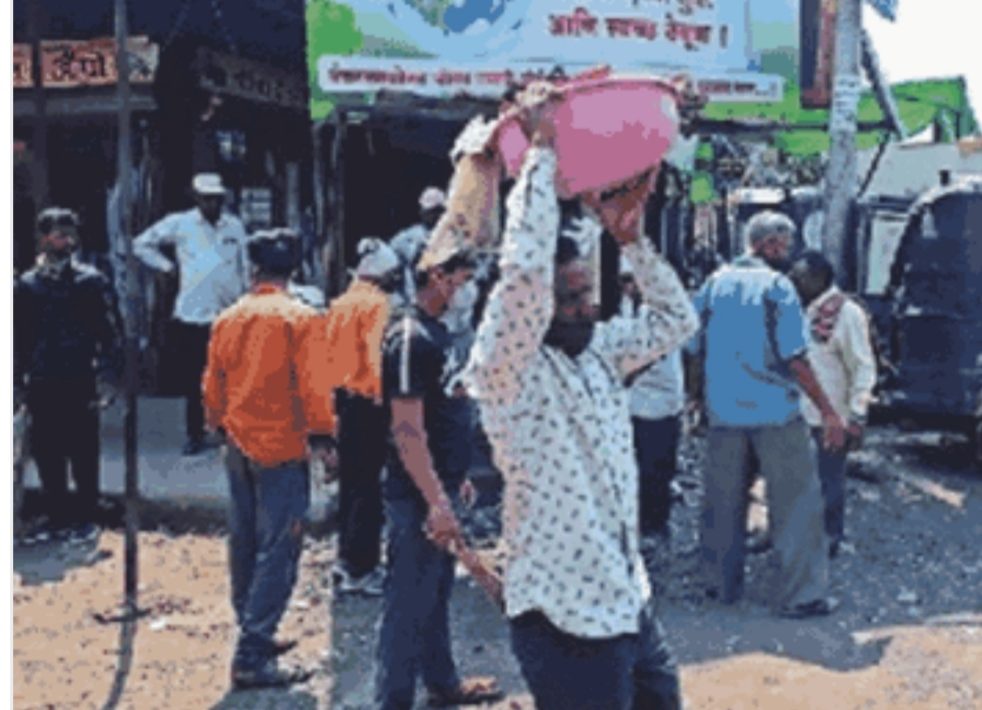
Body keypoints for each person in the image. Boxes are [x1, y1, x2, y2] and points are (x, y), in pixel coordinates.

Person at [461, 109, 698, 709]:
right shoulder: (509, 371)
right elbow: (522, 278)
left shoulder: (599, 354)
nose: (583, 308)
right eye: (566, 298)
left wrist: (632, 242)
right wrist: (541, 156)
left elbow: (677, 320)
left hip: (627, 600)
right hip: (565, 620)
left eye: (586, 293)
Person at [689, 210, 847, 618]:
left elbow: (693, 348)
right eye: (786, 245)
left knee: (722, 503)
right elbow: (795, 357)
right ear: (771, 245)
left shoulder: (714, 283)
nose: (788, 253)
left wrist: (697, 399)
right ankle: (803, 595)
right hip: (775, 413)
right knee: (796, 505)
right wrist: (829, 411)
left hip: (724, 412)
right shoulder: (778, 288)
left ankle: (719, 586)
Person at [202, 228, 338, 689]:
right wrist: (325, 438)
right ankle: (252, 651)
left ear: (253, 268)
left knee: (244, 540)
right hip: (282, 447)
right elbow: (315, 388)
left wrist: (217, 424)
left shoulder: (229, 317)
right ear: (293, 270)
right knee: (280, 549)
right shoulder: (301, 318)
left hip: (238, 443)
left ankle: (251, 625)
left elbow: (212, 384)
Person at [374, 241, 502, 709]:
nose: (466, 291)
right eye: (461, 281)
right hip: (416, 495)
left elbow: (441, 412)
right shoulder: (410, 339)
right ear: (437, 276)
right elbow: (407, 429)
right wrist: (435, 499)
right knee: (407, 602)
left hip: (438, 483)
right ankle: (393, 700)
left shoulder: (436, 333)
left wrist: (454, 475)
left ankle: (442, 683)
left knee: (433, 593)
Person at [14, 208, 123, 542]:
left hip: (79, 376)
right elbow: (18, 338)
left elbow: (108, 332)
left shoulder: (90, 282)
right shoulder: (27, 285)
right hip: (42, 378)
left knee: (83, 449)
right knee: (48, 450)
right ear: (44, 238)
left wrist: (108, 375)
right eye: (61, 234)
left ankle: (86, 516)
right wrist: (16, 381)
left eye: (71, 234)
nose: (68, 241)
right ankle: (56, 515)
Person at [135, 173, 249, 455]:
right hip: (193, 312)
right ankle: (195, 433)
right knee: (194, 377)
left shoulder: (234, 226)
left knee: (230, 375)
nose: (213, 204)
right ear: (197, 199)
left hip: (228, 312)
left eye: (217, 199)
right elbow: (141, 244)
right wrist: (166, 267)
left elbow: (244, 265)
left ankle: (228, 429)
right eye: (207, 199)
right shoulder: (181, 223)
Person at [320, 237, 402, 596]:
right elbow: (374, 357)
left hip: (342, 400)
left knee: (350, 486)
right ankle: (361, 568)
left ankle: (345, 559)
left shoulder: (341, 303)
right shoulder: (378, 305)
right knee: (368, 489)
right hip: (368, 402)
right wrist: (388, 406)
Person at [789, 251, 877, 556]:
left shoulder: (847, 313)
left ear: (818, 279)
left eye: (800, 277)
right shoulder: (803, 310)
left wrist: (857, 414)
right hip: (798, 412)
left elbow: (863, 368)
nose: (794, 282)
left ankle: (829, 536)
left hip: (831, 416)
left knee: (829, 479)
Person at [619, 257, 686, 543]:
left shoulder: (658, 312)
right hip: (639, 402)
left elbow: (649, 355)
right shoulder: (627, 310)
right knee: (643, 467)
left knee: (656, 467)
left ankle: (654, 525)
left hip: (658, 400)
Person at [389, 186, 446, 305]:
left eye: (436, 211)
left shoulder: (455, 239)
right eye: (428, 211)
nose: (432, 215)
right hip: (412, 303)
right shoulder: (406, 239)